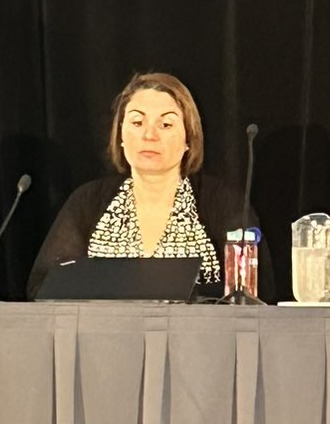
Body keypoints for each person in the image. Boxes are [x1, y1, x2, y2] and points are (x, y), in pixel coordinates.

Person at [28, 72, 253, 298]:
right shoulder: (88, 201)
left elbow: (253, 294)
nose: (149, 135)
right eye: (137, 122)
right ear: (121, 135)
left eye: (165, 124)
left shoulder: (222, 203)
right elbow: (44, 289)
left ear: (188, 139)